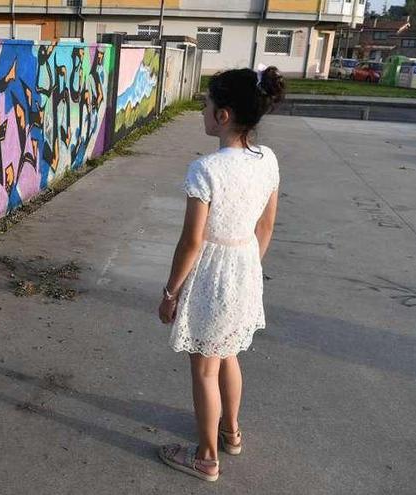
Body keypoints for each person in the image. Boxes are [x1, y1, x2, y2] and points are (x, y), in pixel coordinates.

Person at [156, 65, 286, 482]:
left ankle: (206, 457)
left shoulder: (205, 170)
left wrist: (170, 291)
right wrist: (249, 266)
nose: (203, 111)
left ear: (224, 115)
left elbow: (192, 242)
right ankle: (230, 433)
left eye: (207, 104)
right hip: (245, 264)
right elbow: (266, 225)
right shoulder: (267, 159)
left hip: (212, 273)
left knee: (205, 368)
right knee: (228, 354)